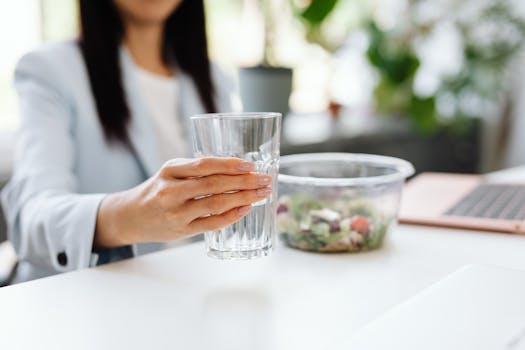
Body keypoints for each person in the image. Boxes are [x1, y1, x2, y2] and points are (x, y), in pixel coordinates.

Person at [1, 0, 272, 283]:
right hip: (81, 297)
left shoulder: (213, 79)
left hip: (184, 290)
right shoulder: (51, 69)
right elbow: (31, 219)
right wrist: (127, 216)